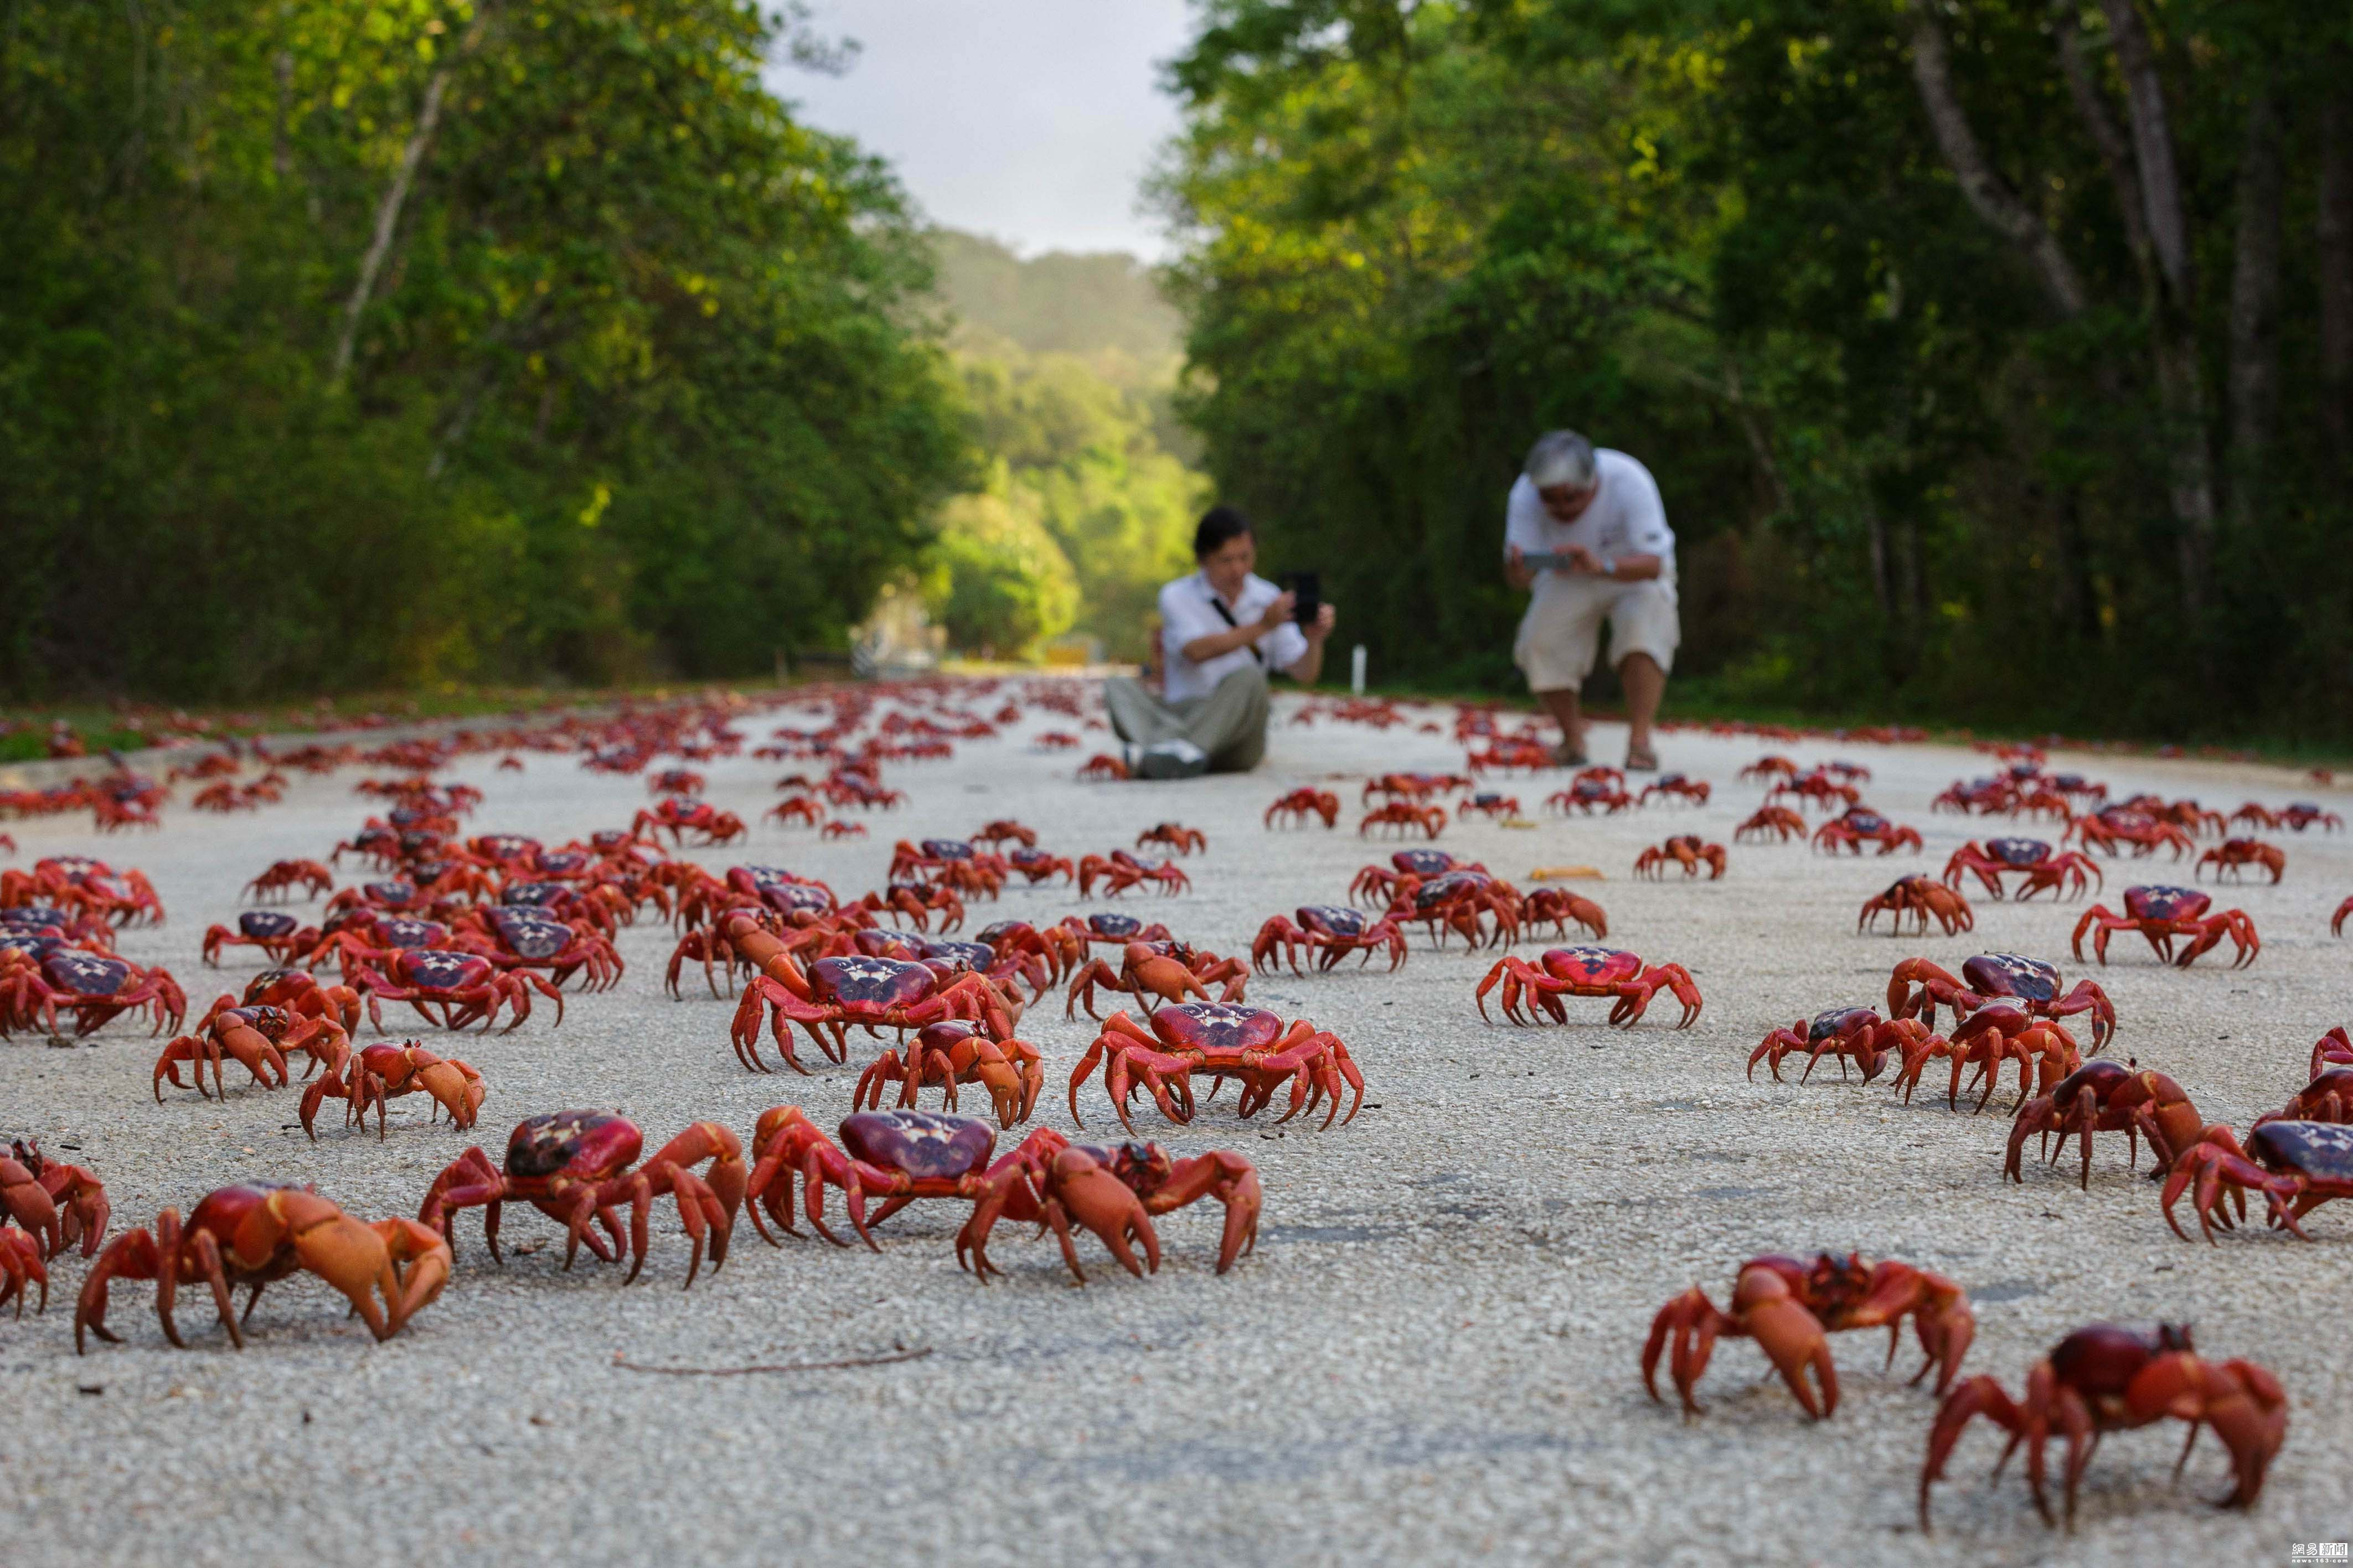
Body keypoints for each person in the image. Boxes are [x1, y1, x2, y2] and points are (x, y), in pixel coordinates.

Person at [1103, 505, 1337, 778]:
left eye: (1245, 558)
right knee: (1117, 687)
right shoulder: (1176, 596)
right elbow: (1195, 651)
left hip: (1238, 737)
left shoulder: (1268, 598)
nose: (1238, 569)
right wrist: (1262, 626)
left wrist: (1315, 641)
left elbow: (1306, 674)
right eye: (1226, 560)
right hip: (1183, 713)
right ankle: (1183, 752)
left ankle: (1172, 752)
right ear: (1203, 560)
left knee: (1250, 678)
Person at [1502, 429, 1679, 770]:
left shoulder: (1629, 479)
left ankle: (1640, 742)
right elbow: (1518, 580)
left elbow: (1654, 563)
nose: (1561, 508)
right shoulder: (1524, 494)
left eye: (1571, 498)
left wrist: (1603, 565)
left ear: (1593, 482)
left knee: (1643, 630)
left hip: (1632, 570)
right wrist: (1521, 569)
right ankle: (1572, 740)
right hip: (1566, 575)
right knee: (1539, 642)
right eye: (1550, 500)